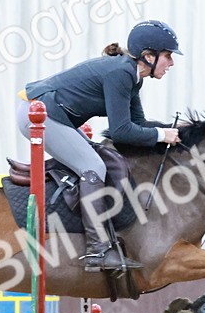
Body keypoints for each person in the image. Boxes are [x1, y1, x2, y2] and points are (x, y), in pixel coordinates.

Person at [15, 20, 182, 272]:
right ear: (148, 56)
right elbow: (121, 132)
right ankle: (98, 250)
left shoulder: (133, 77)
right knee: (93, 166)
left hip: (48, 113)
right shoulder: (122, 73)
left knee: (99, 161)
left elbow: (138, 124)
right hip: (38, 113)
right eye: (168, 56)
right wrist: (161, 135)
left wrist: (171, 131)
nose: (171, 63)